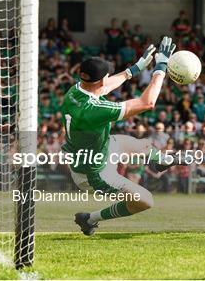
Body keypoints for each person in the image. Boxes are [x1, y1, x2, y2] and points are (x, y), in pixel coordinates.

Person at [62, 37, 188, 236]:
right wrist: (160, 67)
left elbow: (104, 86)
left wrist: (134, 69)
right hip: (94, 173)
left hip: (96, 150)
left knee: (144, 145)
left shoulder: (75, 91)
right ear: (100, 79)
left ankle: (160, 161)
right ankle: (90, 219)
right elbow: (147, 103)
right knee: (145, 200)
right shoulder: (94, 109)